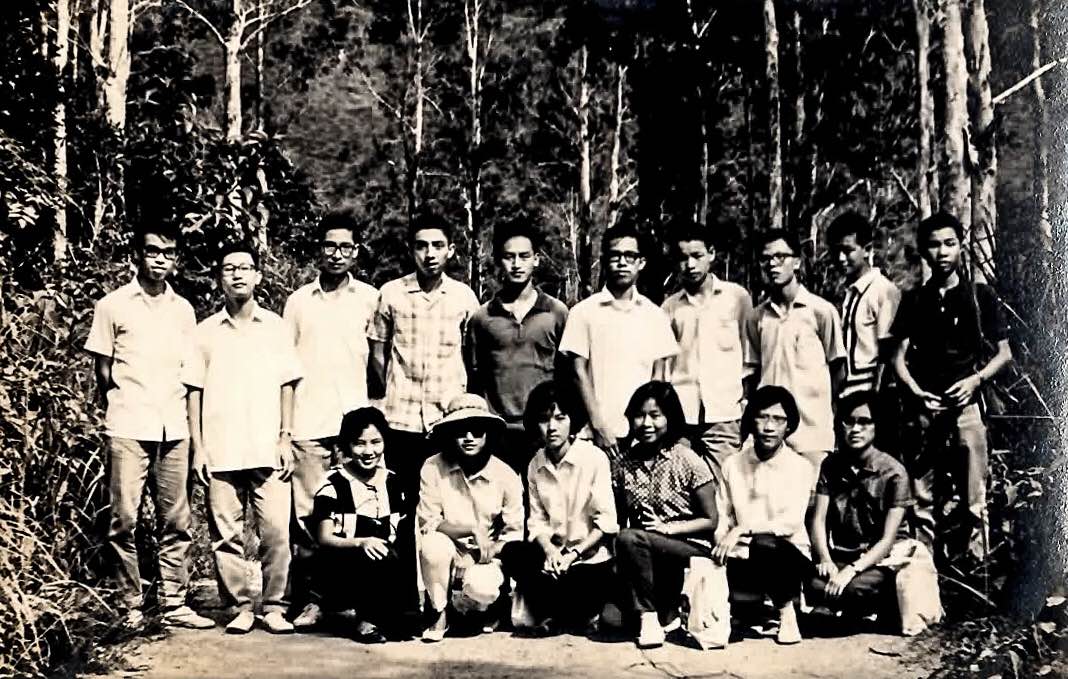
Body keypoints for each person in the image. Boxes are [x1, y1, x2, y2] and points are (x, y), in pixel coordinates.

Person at [84, 224, 213, 630]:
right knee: (124, 518)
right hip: (128, 424)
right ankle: (131, 606)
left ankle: (174, 601)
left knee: (176, 519)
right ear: (137, 255)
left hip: (174, 426)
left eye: (168, 253)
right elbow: (103, 371)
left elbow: (191, 372)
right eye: (153, 251)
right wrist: (126, 402)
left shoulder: (183, 310)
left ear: (176, 259)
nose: (160, 259)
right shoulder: (112, 305)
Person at [183, 242, 303, 634]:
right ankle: (239, 607)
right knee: (226, 537)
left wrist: (285, 437)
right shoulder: (204, 332)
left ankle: (275, 606)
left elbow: (288, 383)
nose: (237, 274)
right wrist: (199, 447)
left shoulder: (276, 327)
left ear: (258, 276)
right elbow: (194, 390)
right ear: (219, 278)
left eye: (245, 267)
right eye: (229, 268)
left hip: (268, 448)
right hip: (221, 449)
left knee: (276, 533)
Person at [891, 212, 1012, 562]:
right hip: (925, 411)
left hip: (967, 408)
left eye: (950, 243)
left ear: (960, 247)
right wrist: (916, 392)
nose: (942, 252)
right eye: (934, 245)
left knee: (975, 498)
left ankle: (976, 572)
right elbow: (897, 358)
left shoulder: (979, 296)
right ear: (923, 251)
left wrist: (975, 380)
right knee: (922, 498)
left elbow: (1004, 354)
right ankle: (924, 572)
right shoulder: (915, 300)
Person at [283, 211, 380, 628]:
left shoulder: (370, 299)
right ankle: (311, 601)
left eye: (345, 247)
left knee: (355, 517)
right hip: (308, 424)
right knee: (309, 520)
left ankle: (356, 602)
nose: (336, 254)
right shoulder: (298, 302)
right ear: (318, 249)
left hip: (354, 432)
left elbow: (379, 362)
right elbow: (284, 365)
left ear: (356, 252)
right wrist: (285, 428)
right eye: (329, 246)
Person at [368, 211, 480, 502]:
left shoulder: (464, 297)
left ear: (450, 250)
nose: (430, 254)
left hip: (448, 419)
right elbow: (378, 353)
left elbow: (471, 357)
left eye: (438, 246)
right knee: (401, 502)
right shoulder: (391, 293)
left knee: (448, 500)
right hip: (399, 420)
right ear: (411, 250)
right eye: (421, 246)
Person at [500, 381, 618, 635]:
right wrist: (550, 551)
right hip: (552, 559)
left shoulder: (594, 458)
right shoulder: (535, 464)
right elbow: (537, 521)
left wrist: (573, 554)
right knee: (513, 553)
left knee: (579, 585)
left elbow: (606, 522)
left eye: (560, 418)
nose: (552, 427)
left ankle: (562, 611)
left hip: (587, 558)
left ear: (572, 421)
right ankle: (563, 611)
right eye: (544, 419)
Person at [613, 381, 721, 649]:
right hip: (645, 552)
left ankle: (649, 618)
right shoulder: (624, 463)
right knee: (611, 620)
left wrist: (668, 528)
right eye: (639, 416)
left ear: (670, 417)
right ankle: (666, 613)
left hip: (689, 548)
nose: (646, 424)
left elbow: (711, 520)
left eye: (655, 415)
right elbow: (618, 517)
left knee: (629, 537)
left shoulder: (687, 459)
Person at [559, 221, 679, 461]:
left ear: (641, 262)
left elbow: (658, 377)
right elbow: (577, 372)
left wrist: (649, 427)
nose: (622, 262)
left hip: (642, 434)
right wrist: (598, 425)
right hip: (595, 433)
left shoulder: (655, 315)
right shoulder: (583, 312)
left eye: (629, 256)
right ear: (604, 260)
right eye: (615, 256)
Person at [416, 394, 524, 642]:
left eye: (477, 431)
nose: (469, 438)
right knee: (432, 545)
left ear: (488, 434)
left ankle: (485, 608)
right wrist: (471, 529)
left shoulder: (506, 475)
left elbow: (513, 534)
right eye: (460, 431)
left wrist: (480, 553)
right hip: (448, 551)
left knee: (482, 588)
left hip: (485, 556)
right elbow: (429, 521)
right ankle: (440, 612)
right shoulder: (433, 467)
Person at [714, 386, 816, 645]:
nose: (769, 427)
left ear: (789, 426)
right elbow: (723, 513)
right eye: (762, 417)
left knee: (763, 544)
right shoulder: (733, 464)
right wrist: (721, 541)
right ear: (751, 420)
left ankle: (786, 613)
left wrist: (743, 529)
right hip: (741, 554)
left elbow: (790, 523)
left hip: (787, 556)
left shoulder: (800, 467)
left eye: (779, 420)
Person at [307, 407, 420, 642]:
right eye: (359, 444)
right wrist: (361, 542)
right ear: (347, 445)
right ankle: (362, 618)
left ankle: (394, 612)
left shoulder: (394, 482)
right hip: (344, 563)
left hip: (386, 565)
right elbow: (325, 538)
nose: (369, 452)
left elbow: (404, 535)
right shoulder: (333, 483)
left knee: (405, 627)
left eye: (376, 442)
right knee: (372, 553)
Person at [467, 220, 569, 474]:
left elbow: (568, 375)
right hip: (498, 432)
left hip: (544, 430)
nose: (516, 264)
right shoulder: (482, 318)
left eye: (524, 256)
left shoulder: (556, 313)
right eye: (508, 257)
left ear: (536, 259)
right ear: (498, 261)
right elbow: (474, 378)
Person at [807, 392, 913, 624]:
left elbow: (888, 540)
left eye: (864, 422)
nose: (855, 429)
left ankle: (877, 605)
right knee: (813, 585)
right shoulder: (831, 465)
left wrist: (851, 571)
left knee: (855, 589)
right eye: (849, 422)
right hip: (844, 554)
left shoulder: (894, 472)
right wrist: (825, 559)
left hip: (882, 558)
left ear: (877, 426)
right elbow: (818, 520)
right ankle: (848, 607)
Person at [745, 229, 846, 470]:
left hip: (811, 434)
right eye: (766, 258)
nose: (772, 264)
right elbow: (752, 373)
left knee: (813, 492)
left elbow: (838, 370)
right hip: (770, 432)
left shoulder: (821, 311)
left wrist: (823, 413)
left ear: (797, 261)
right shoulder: (757, 317)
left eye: (780, 257)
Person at [662, 224, 753, 464]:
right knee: (680, 480)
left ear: (711, 254)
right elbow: (664, 365)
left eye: (697, 256)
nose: (690, 265)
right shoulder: (670, 307)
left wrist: (746, 404)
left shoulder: (737, 298)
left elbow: (750, 356)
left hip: (725, 414)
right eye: (683, 258)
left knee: (724, 482)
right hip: (681, 417)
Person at [826, 211, 901, 397]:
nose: (841, 258)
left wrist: (875, 398)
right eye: (836, 251)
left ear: (867, 249)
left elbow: (889, 353)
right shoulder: (847, 293)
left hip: (870, 394)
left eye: (848, 251)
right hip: (846, 394)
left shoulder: (883, 290)